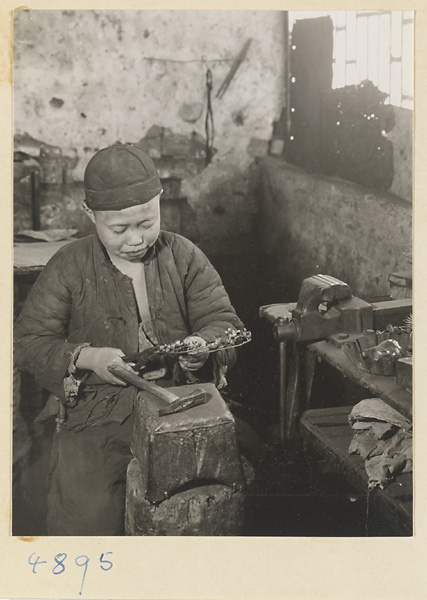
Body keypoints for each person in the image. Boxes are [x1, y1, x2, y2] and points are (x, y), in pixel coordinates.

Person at [14, 143, 244, 536]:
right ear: (90, 215)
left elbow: (223, 322)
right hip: (96, 413)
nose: (136, 239)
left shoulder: (184, 256)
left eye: (147, 222)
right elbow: (28, 340)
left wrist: (203, 349)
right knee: (88, 518)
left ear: (159, 201)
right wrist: (87, 357)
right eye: (119, 229)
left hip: (176, 401)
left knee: (203, 505)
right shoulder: (69, 265)